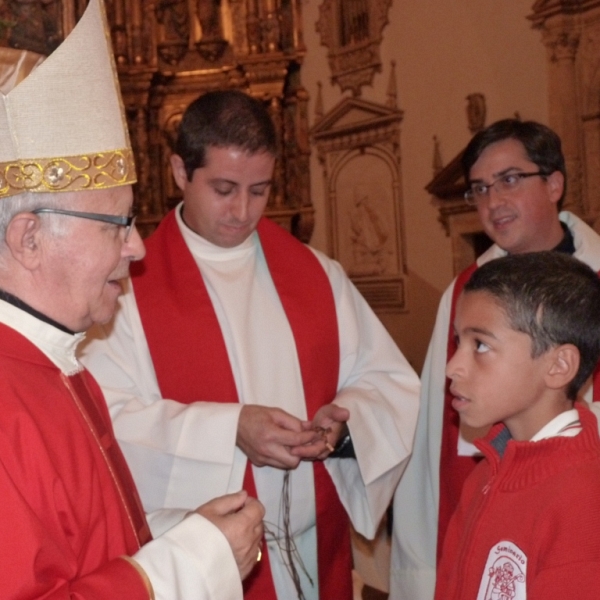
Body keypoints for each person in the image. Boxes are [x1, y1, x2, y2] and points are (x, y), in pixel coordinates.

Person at [80, 89, 421, 600]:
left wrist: (342, 428)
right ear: (179, 171)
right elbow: (103, 425)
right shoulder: (124, 289)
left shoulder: (316, 274)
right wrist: (230, 429)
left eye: (258, 190)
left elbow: (388, 382)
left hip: (315, 550)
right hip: (214, 567)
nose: (243, 211)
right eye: (224, 188)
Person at [0, 0, 264, 597]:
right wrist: (190, 563)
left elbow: (88, 552)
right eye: (116, 224)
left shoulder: (64, 369)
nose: (138, 249)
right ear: (31, 238)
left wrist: (187, 537)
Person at [391, 119, 600, 600]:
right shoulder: (464, 290)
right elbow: (434, 441)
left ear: (553, 183)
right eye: (480, 189)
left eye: (509, 180)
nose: (492, 202)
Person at [435, 251, 600, 599]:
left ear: (558, 366)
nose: (453, 367)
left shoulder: (583, 504)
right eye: (457, 342)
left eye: (480, 344)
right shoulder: (484, 476)